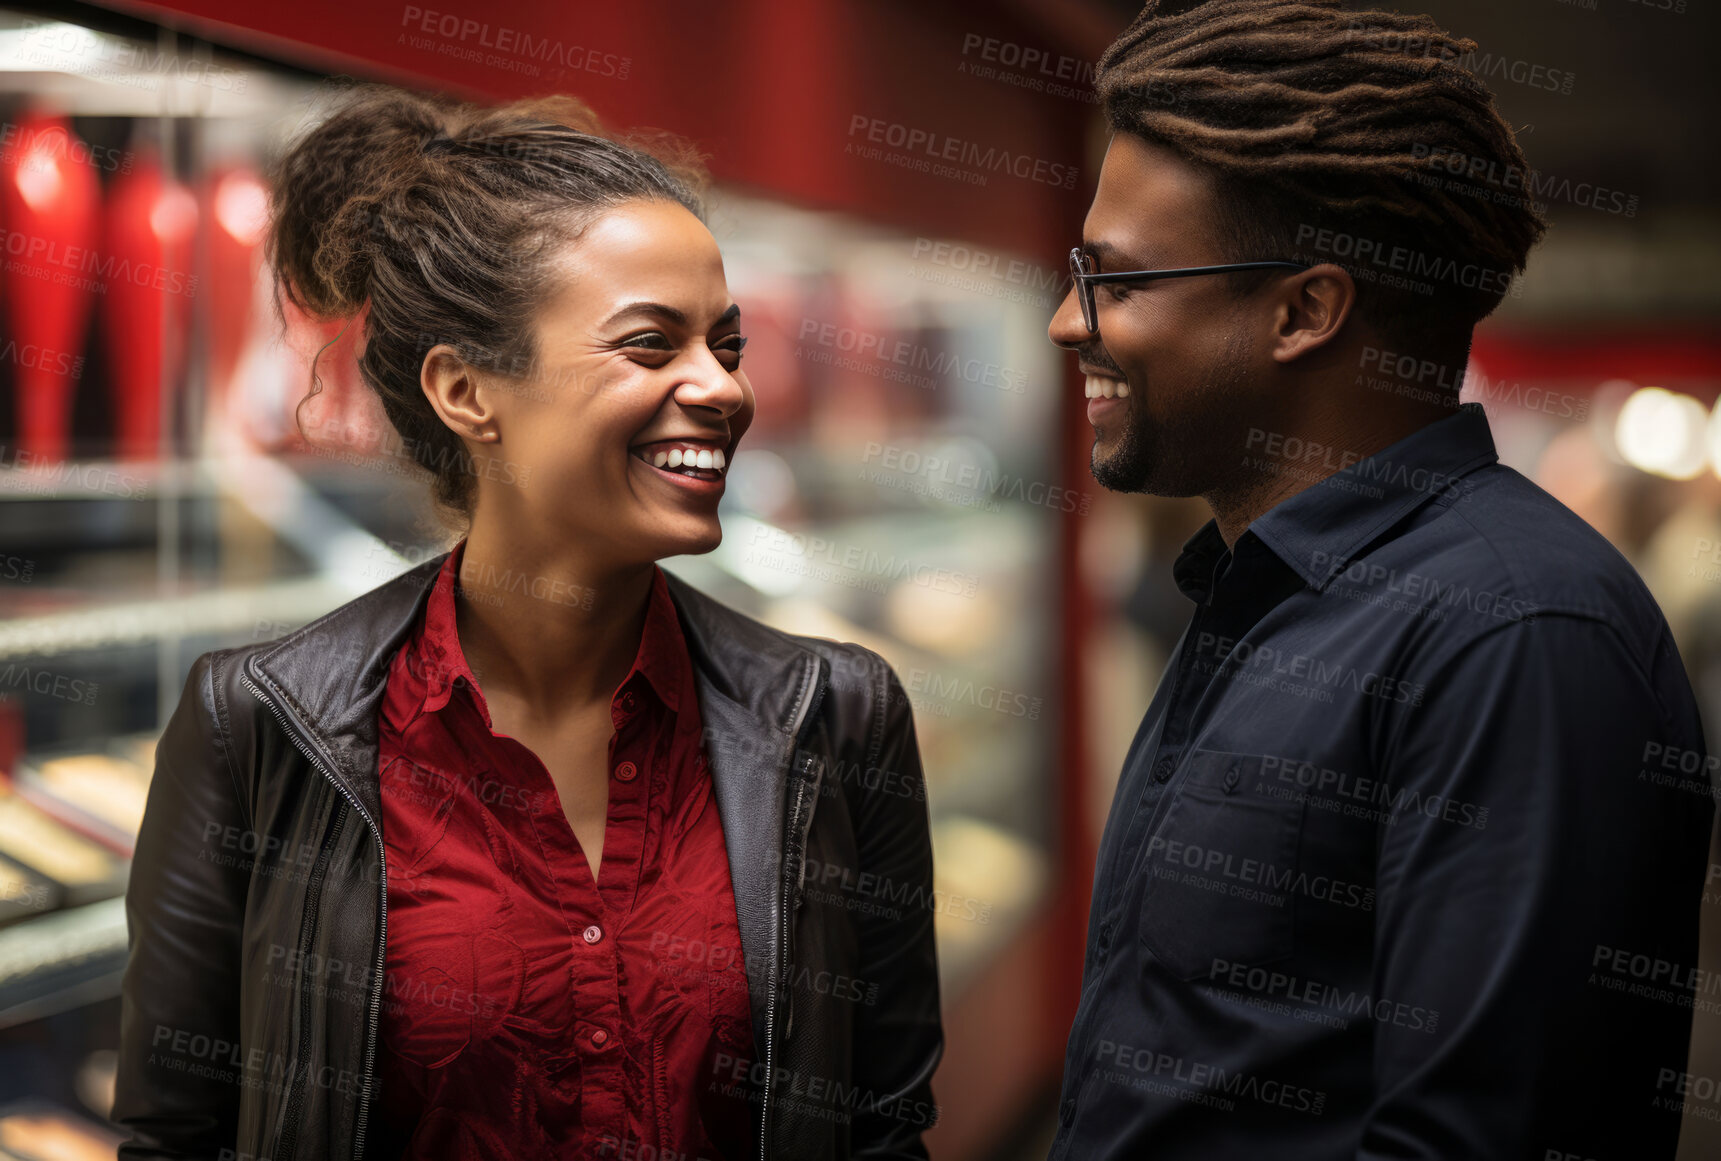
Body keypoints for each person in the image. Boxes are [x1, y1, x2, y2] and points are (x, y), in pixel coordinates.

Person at [112, 85, 941, 1161]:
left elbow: (880, 1130)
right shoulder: (262, 727)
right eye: (650, 346)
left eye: (724, 346)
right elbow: (177, 1136)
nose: (724, 389)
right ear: (466, 391)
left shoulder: (834, 719)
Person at [1045, 1, 1715, 1158]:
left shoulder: (1515, 637)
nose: (1067, 323)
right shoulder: (1264, 592)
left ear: (1304, 310)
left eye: (1116, 281)